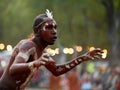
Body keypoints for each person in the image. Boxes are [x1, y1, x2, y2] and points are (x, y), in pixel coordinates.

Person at [0, 9, 103, 90]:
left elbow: (56, 70)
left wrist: (82, 58)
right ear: (37, 31)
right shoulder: (28, 46)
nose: (54, 31)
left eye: (55, 27)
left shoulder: (43, 52)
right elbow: (13, 68)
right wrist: (36, 62)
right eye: (49, 27)